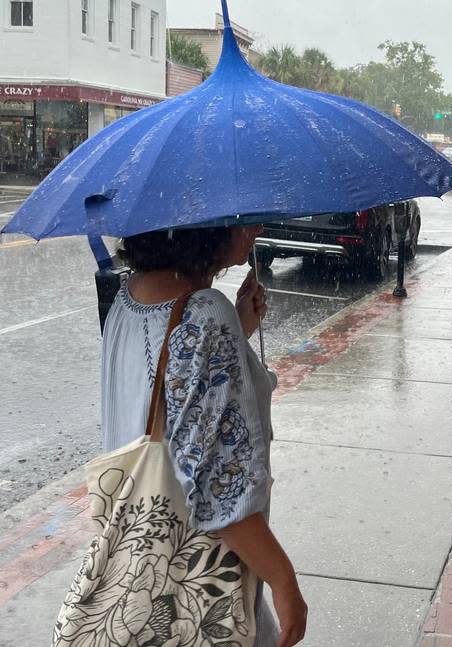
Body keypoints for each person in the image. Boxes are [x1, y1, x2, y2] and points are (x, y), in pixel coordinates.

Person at [101, 225, 307, 647]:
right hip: (202, 577)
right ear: (207, 228)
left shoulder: (128, 298)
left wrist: (239, 334)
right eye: (243, 218)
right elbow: (221, 494)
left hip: (143, 559)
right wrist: (285, 583)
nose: (257, 227)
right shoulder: (205, 312)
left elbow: (171, 398)